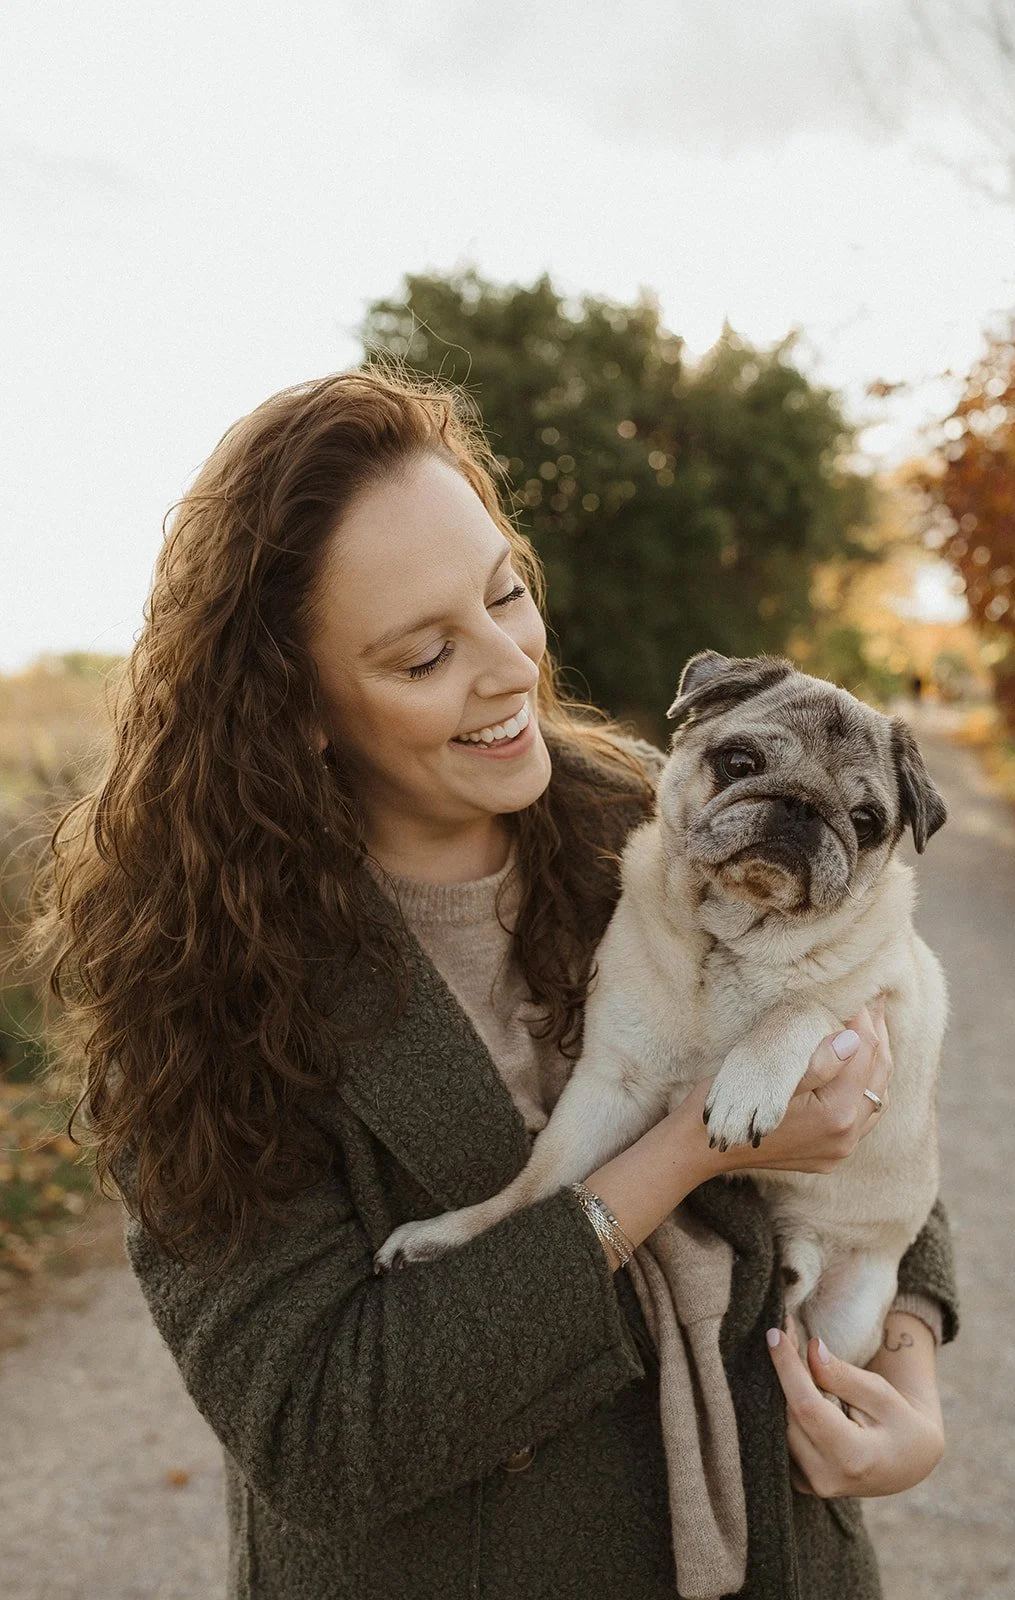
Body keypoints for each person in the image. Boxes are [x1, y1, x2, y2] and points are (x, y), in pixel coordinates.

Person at [32, 365, 958, 1599]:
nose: (509, 669)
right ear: (295, 708)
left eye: (505, 594)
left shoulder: (657, 817)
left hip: (778, 1550)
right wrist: (676, 1156)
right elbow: (320, 1430)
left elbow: (874, 1085)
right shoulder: (203, 989)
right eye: (423, 655)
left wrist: (910, 1374)